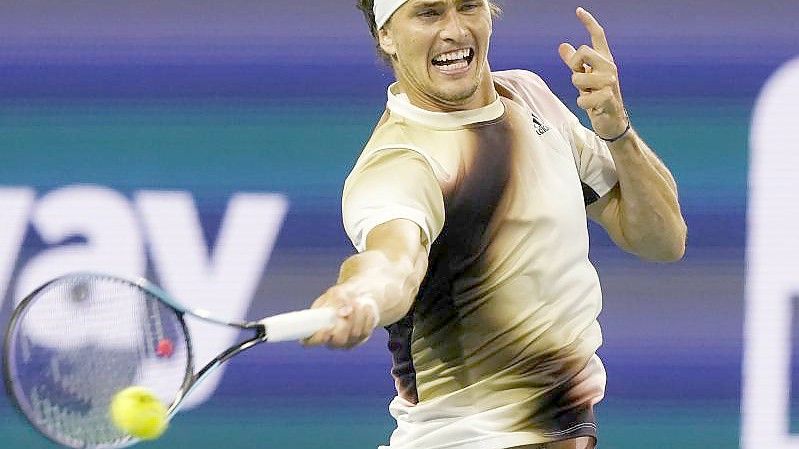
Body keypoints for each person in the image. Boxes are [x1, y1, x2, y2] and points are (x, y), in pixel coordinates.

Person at [304, 1, 687, 448]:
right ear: (386, 34)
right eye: (428, 14)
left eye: (467, 7)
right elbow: (394, 263)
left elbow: (663, 239)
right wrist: (360, 295)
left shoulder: (529, 96)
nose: (454, 30)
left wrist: (614, 126)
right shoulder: (399, 164)